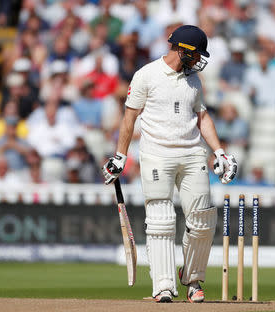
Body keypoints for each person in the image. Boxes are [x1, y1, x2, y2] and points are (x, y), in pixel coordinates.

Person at [102, 25, 237, 303]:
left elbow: (202, 117)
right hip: (157, 154)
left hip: (192, 154)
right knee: (161, 220)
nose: (199, 58)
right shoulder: (147, 75)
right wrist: (120, 156)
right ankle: (163, 286)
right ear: (183, 49)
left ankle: (192, 279)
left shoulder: (194, 80)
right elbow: (129, 118)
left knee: (202, 220)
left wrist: (220, 152)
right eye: (196, 52)